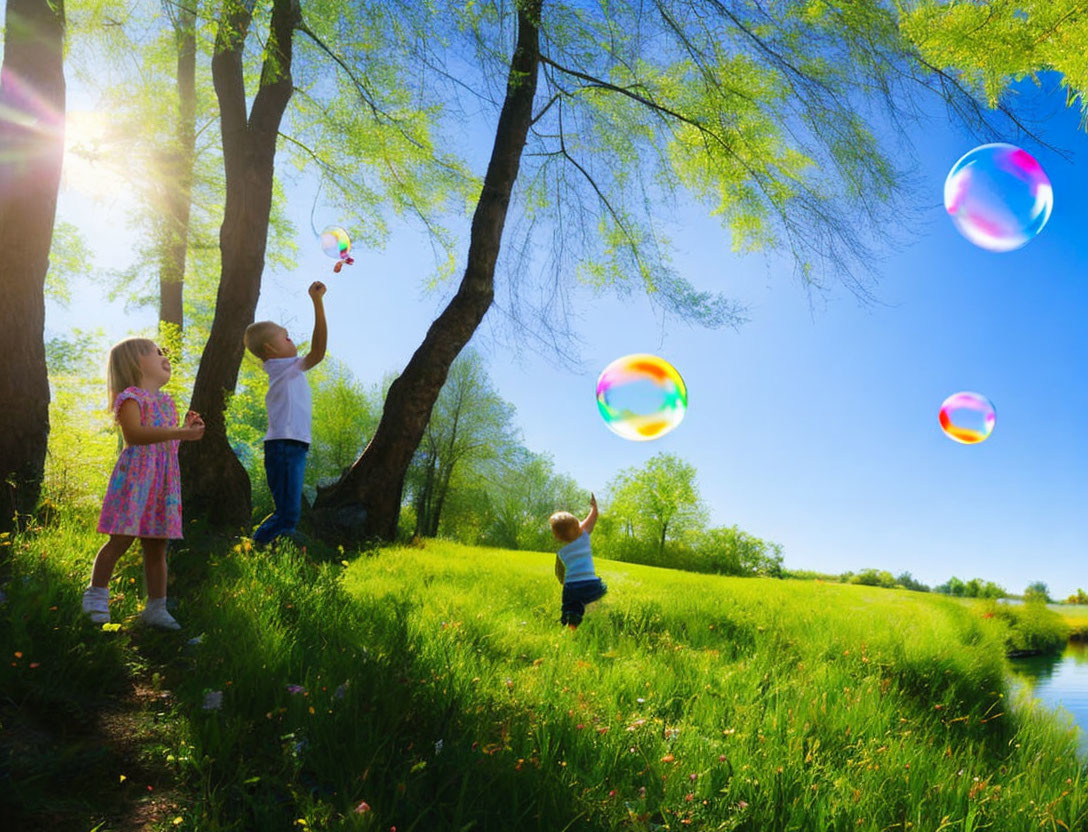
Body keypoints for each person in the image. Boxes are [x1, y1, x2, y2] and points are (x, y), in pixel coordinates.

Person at [82, 338, 205, 629]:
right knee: (121, 538)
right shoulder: (131, 397)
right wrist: (180, 433)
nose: (165, 357)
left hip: (162, 480)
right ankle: (96, 596)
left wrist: (186, 431)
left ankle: (156, 607)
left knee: (157, 544)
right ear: (138, 362)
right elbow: (135, 435)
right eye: (158, 352)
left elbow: (168, 444)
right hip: (137, 478)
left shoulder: (166, 402)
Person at [243, 281, 328, 546]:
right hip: (285, 446)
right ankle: (253, 548)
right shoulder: (283, 367)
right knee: (288, 514)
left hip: (293, 446)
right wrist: (317, 302)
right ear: (271, 350)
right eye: (286, 336)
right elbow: (319, 351)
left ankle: (260, 548)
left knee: (289, 512)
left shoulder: (285, 368)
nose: (292, 340)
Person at [551, 493, 608, 629]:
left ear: (557, 536)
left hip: (572, 586)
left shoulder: (561, 552)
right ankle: (593, 604)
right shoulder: (583, 537)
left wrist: (563, 582)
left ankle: (571, 626)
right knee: (599, 590)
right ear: (578, 527)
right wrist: (594, 508)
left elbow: (559, 573)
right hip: (591, 584)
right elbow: (592, 518)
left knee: (571, 608)